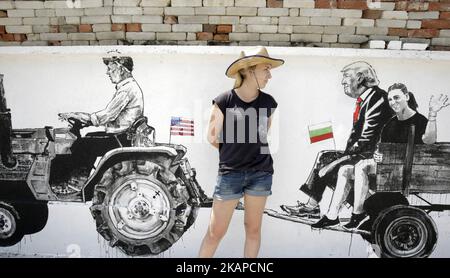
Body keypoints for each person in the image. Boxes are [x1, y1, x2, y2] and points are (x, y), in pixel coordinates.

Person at [313, 83, 449, 230]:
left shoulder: (420, 120)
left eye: (397, 98)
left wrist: (433, 114)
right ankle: (332, 216)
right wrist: (378, 155)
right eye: (390, 99)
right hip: (389, 169)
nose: (393, 102)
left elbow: (429, 141)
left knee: (361, 167)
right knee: (345, 169)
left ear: (407, 97)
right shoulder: (390, 124)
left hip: (407, 171)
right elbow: (382, 150)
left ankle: (357, 214)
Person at [281, 61, 392, 227]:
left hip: (371, 155)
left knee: (328, 161)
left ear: (360, 78)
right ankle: (312, 207)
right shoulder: (369, 98)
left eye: (347, 76)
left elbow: (366, 139)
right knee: (325, 157)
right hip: (363, 152)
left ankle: (313, 208)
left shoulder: (377, 99)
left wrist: (339, 160)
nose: (343, 81)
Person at [198, 46, 284, 258]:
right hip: (230, 175)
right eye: (266, 69)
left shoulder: (268, 102)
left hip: (261, 174)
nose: (270, 75)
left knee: (253, 230)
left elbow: (262, 138)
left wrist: (242, 147)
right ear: (249, 71)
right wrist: (233, 151)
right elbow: (211, 137)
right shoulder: (224, 100)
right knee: (214, 233)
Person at [55, 56, 144, 194]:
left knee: (83, 144)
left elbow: (107, 115)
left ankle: (73, 182)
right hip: (122, 135)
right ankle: (78, 178)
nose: (107, 72)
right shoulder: (128, 87)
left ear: (121, 69)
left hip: (120, 139)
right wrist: (84, 120)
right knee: (89, 137)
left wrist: (81, 117)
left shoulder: (127, 89)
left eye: (110, 69)